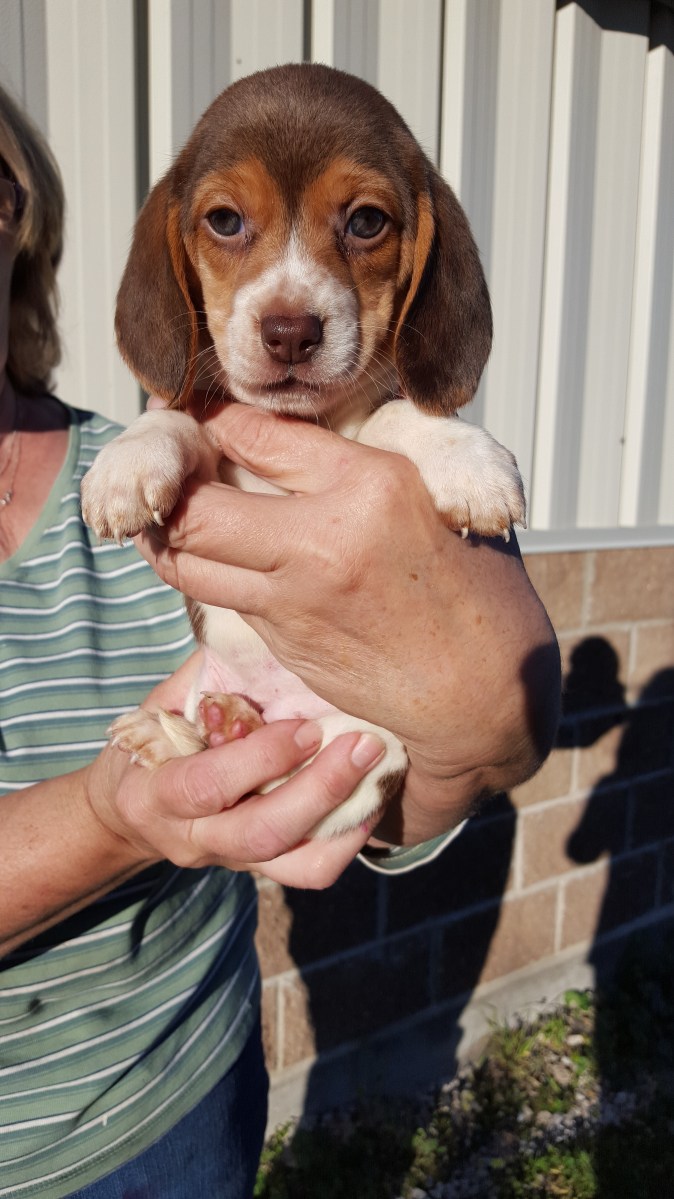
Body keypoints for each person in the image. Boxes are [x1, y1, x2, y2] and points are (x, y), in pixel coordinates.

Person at [0, 83, 560, 1198]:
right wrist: (112, 816)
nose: (292, 301)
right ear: (174, 252)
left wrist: (487, 721)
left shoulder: (135, 450)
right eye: (229, 223)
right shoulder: (161, 438)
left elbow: (427, 757)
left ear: (24, 227)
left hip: (190, 1087)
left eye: (363, 225)